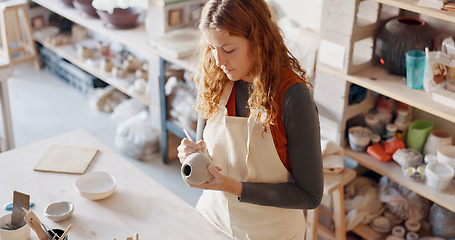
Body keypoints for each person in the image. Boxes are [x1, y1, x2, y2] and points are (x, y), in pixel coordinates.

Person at [177, 0, 323, 239]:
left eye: (229, 49)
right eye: (212, 48)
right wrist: (192, 152)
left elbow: (310, 195)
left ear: (259, 41)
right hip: (212, 219)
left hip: (270, 233)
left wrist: (232, 186)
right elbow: (205, 147)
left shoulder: (293, 98)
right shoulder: (216, 78)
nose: (218, 61)